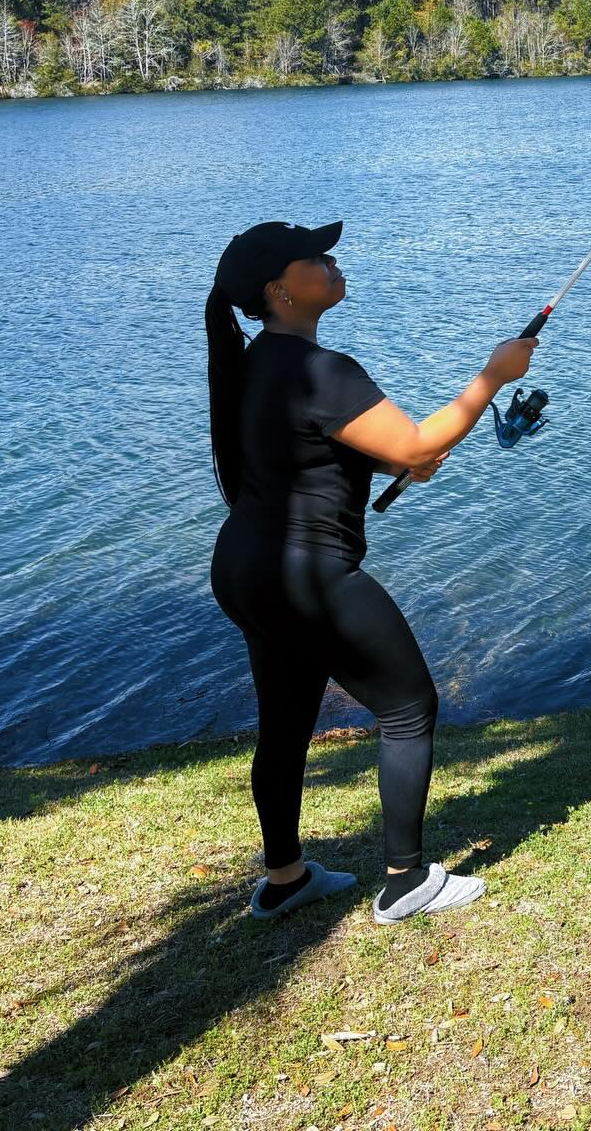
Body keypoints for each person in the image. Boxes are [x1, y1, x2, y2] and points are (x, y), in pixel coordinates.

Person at [204, 219, 538, 923]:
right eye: (314, 257)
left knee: (287, 719)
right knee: (409, 704)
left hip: (244, 567)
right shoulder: (324, 370)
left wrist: (404, 459)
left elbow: (384, 450)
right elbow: (417, 440)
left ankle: (286, 876)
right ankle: (405, 880)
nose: (331, 261)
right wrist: (493, 375)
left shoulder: (258, 363)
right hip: (307, 575)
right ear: (278, 289)